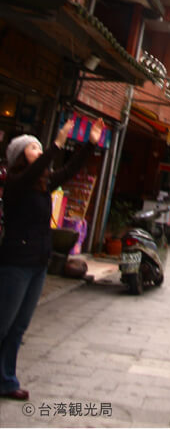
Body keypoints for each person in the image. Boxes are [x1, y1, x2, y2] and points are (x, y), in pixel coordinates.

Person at [0, 116, 104, 400]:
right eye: (32, 148)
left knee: (19, 325)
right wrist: (57, 144)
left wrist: (90, 144)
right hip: (16, 262)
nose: (38, 150)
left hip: (37, 263)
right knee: (4, 323)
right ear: (20, 155)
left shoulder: (43, 185)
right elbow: (38, 171)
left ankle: (6, 379)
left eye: (39, 147)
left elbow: (70, 170)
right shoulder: (16, 183)